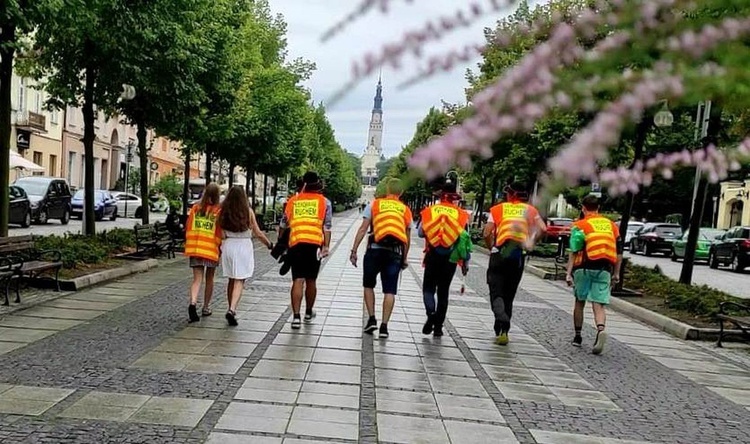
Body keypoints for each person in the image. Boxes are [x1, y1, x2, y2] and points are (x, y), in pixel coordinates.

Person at [483, 182, 546, 345]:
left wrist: (492, 248)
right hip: (518, 255)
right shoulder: (530, 210)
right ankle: (504, 331)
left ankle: (500, 318)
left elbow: (486, 232)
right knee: (509, 294)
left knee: (496, 290)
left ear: (510, 195)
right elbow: (543, 229)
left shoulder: (498, 209)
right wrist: (531, 242)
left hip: (500, 253)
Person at [350, 178, 413, 339]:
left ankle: (372, 319)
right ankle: (384, 327)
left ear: (387, 189)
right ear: (401, 192)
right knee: (390, 291)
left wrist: (354, 250)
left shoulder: (375, 205)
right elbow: (407, 237)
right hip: (394, 253)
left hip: (374, 251)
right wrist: (404, 258)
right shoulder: (405, 210)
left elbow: (363, 228)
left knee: (368, 285)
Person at [565, 195, 623, 355]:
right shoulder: (612, 226)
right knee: (599, 304)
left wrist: (568, 273)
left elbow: (574, 251)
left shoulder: (580, 225)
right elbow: (619, 252)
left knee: (580, 301)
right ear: (598, 208)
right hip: (604, 269)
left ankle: (577, 336)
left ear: (583, 208)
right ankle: (600, 329)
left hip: (583, 267)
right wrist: (616, 274)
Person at [418, 182, 470, 337]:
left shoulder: (430, 211)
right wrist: (465, 262)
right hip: (451, 258)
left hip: (433, 255)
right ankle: (439, 327)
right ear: (454, 197)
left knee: (428, 289)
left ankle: (431, 314)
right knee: (443, 292)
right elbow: (465, 240)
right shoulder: (461, 214)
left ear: (440, 197)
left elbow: (421, 233)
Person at [281, 172, 332, 329]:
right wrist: (326, 247)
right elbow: (327, 227)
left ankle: (296, 317)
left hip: (296, 243)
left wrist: (281, 245)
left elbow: (284, 224)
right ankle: (308, 312)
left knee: (298, 279)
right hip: (314, 244)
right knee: (311, 280)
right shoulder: (324, 202)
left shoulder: (293, 201)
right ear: (317, 185)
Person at [217, 186, 273, 326]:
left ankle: (230, 306)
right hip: (243, 246)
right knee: (240, 279)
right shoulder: (248, 212)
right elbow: (258, 233)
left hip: (228, 245)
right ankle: (232, 309)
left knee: (231, 278)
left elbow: (221, 234)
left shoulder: (223, 212)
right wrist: (269, 244)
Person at [184, 183, 222, 323]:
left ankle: (193, 303)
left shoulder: (196, 208)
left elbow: (188, 227)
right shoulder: (218, 211)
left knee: (197, 279)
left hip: (196, 248)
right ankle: (206, 307)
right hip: (211, 249)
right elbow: (221, 231)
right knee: (210, 279)